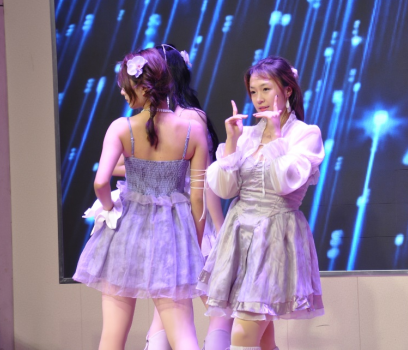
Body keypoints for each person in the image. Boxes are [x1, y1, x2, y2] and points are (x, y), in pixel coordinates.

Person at [74, 48, 208, 350]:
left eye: (126, 86)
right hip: (173, 235)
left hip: (126, 232)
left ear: (144, 88)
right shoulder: (194, 131)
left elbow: (100, 182)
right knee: (184, 336)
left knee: (112, 337)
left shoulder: (121, 128)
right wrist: (194, 245)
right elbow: (197, 199)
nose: (122, 92)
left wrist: (109, 209)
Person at [199, 56, 325, 350]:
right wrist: (232, 141)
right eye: (253, 91)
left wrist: (277, 136)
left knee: (243, 335)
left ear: (287, 90)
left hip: (274, 237)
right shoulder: (247, 135)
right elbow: (225, 189)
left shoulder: (305, 134)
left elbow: (283, 183)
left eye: (266, 89)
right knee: (264, 340)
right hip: (238, 236)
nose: (259, 98)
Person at [112, 45, 232, 350]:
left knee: (206, 307)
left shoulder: (185, 118)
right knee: (173, 308)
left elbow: (202, 181)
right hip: (180, 219)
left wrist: (217, 228)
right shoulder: (171, 119)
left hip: (190, 219)